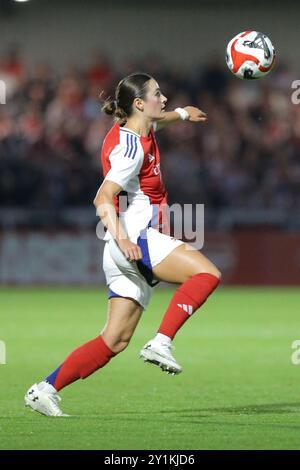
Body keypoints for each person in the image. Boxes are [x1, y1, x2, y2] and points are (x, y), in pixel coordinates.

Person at [24, 73, 221, 417]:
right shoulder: (130, 148)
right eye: (158, 94)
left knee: (113, 341)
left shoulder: (138, 128)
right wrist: (125, 239)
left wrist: (184, 114)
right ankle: (162, 342)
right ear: (140, 104)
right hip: (136, 236)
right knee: (206, 274)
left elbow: (160, 120)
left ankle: (44, 389)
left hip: (121, 249)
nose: (164, 98)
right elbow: (102, 198)